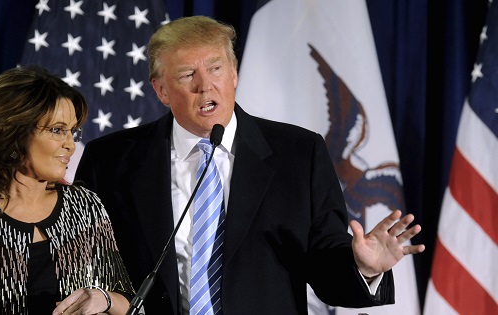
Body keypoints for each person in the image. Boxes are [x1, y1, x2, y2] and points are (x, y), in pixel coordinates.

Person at [75, 16, 425, 315]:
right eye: (186, 75)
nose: (204, 85)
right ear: (161, 90)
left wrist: (362, 267)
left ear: (234, 74)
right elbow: (84, 263)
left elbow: (324, 266)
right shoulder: (111, 161)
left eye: (215, 68)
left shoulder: (299, 154)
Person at [0, 65, 135, 315]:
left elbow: (129, 301)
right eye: (57, 130)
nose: (71, 145)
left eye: (72, 132)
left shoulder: (84, 206)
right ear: (14, 134)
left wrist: (103, 298)